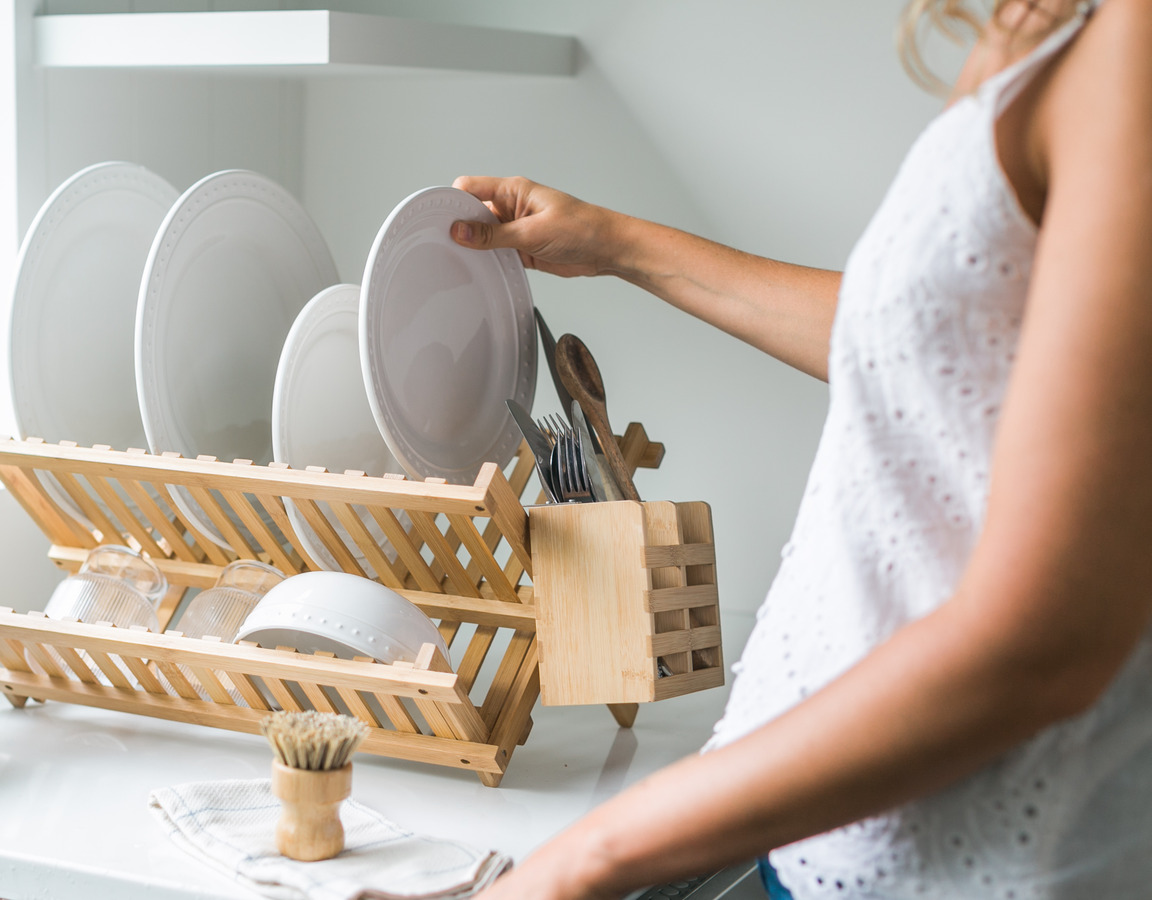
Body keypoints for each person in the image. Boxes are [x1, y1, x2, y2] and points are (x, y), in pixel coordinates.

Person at [451, 1, 1152, 897]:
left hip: (969, 864)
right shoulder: (1054, 25)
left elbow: (1051, 640)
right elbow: (930, 344)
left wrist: (582, 861)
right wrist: (615, 242)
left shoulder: (1127, 44)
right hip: (835, 835)